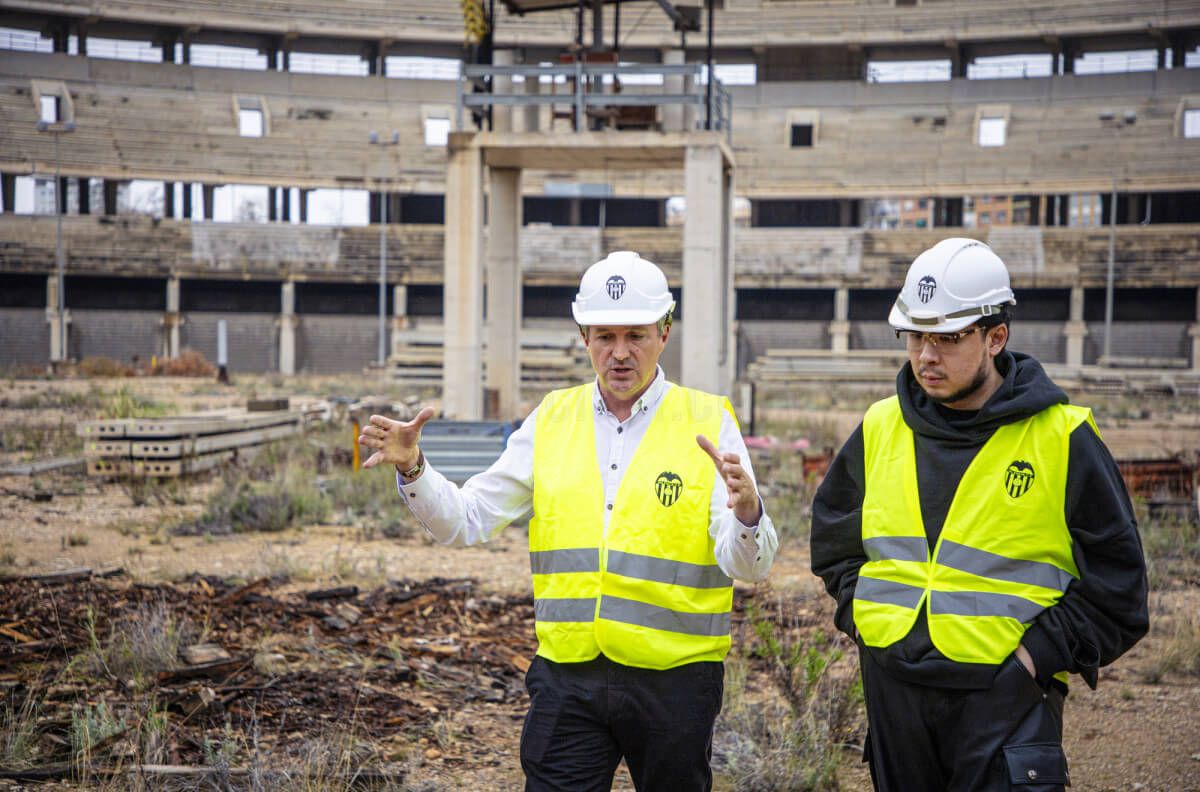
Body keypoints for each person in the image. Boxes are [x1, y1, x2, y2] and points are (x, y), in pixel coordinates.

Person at [359, 250, 778, 792]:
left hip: (675, 682)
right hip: (569, 677)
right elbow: (463, 521)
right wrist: (414, 467)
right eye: (605, 336)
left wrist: (747, 512)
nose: (620, 353)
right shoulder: (553, 418)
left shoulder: (707, 420)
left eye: (637, 335)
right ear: (584, 337)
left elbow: (750, 565)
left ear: (665, 332)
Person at [810, 238, 1148, 792]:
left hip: (1006, 700)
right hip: (895, 694)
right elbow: (833, 546)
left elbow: (1120, 590)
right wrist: (869, 628)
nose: (926, 356)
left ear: (996, 337)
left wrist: (1034, 659)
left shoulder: (1062, 439)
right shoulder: (879, 427)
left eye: (946, 338)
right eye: (915, 335)